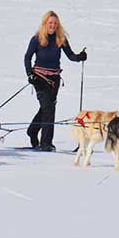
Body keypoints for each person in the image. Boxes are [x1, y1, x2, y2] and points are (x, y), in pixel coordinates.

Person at [24, 10, 87, 151]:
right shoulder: (37, 38)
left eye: (55, 23)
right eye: (50, 23)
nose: (52, 25)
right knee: (49, 108)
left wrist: (80, 57)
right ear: (45, 23)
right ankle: (46, 143)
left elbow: (70, 55)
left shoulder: (61, 39)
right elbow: (27, 57)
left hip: (54, 79)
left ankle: (32, 131)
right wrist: (29, 74)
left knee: (47, 108)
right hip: (39, 79)